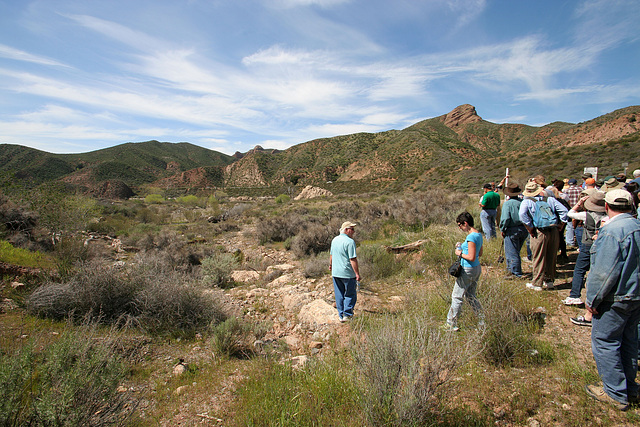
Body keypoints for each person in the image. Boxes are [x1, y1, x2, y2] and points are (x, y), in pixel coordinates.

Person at [585, 189, 640, 411]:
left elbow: (604, 273)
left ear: (606, 207)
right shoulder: (637, 226)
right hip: (636, 295)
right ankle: (630, 388)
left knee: (606, 342)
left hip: (616, 298)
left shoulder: (612, 231)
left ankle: (615, 393)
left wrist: (592, 301)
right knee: (629, 341)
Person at [519, 181, 569, 291]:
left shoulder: (526, 202)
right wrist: (561, 224)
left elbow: (522, 216)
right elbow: (565, 211)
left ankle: (537, 283)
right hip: (553, 230)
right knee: (551, 256)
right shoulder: (550, 199)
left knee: (538, 257)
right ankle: (549, 280)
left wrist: (530, 227)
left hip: (539, 231)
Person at [562, 190, 606, 306]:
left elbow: (570, 214)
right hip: (603, 245)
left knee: (580, 270)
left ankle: (575, 295)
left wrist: (579, 203)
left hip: (587, 244)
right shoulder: (607, 216)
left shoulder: (587, 215)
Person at [445, 212, 484, 331]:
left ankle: (451, 323)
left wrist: (459, 253)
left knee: (457, 296)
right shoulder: (478, 235)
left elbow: (471, 256)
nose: (459, 228)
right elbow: (479, 254)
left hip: (468, 269)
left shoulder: (471, 237)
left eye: (460, 225)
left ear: (465, 223)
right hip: (476, 268)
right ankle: (481, 321)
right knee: (471, 296)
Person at [330, 221, 361, 322]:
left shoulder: (334, 240)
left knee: (339, 293)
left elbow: (331, 255)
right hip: (347, 273)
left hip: (336, 272)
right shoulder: (350, 242)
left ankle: (341, 314)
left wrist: (330, 265)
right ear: (346, 230)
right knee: (350, 293)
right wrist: (357, 273)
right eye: (352, 229)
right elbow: (353, 259)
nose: (353, 231)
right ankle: (347, 314)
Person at [499, 182, 527, 278]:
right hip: (524, 228)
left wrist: (502, 229)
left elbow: (505, 219)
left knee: (512, 252)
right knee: (516, 250)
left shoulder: (508, 204)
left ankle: (515, 273)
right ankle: (511, 269)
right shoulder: (522, 202)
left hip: (512, 229)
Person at [564, 178, 582, 248]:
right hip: (579, 208)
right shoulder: (580, 190)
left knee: (570, 226)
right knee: (579, 225)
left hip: (570, 209)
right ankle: (579, 240)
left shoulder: (566, 191)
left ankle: (570, 242)